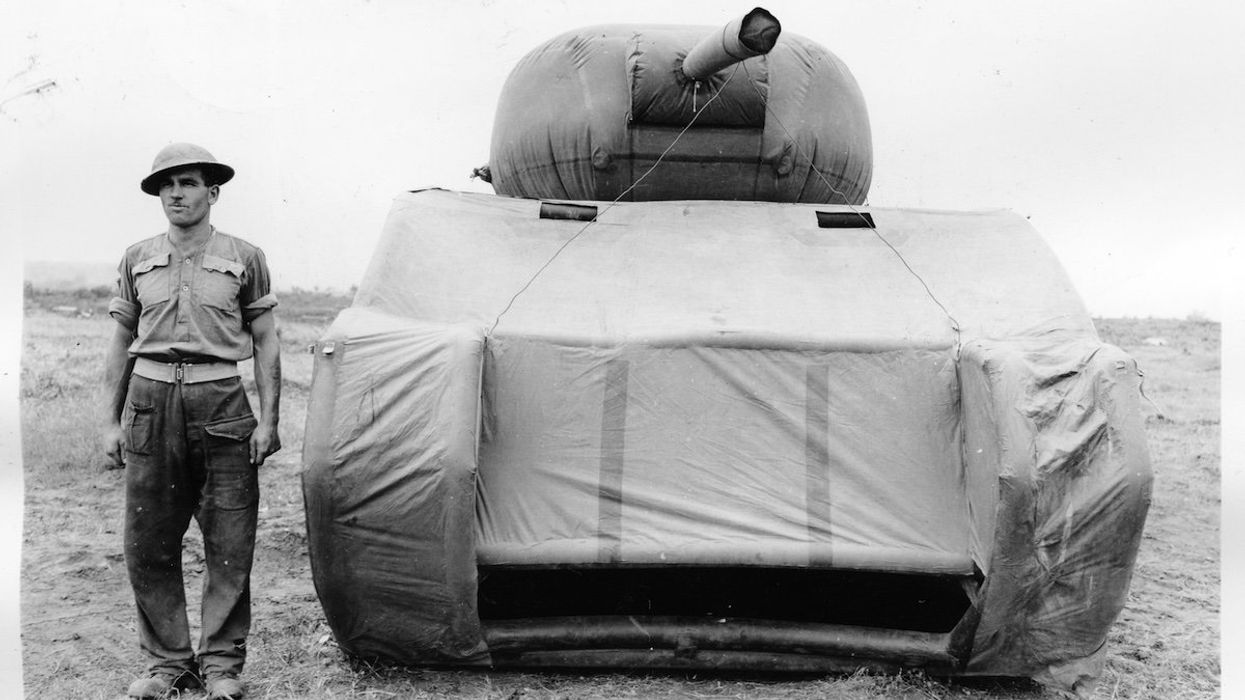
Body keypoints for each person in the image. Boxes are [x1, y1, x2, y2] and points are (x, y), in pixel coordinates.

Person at [101, 143, 281, 700]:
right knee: (148, 537)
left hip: (222, 404)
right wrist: (109, 422)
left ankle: (222, 666)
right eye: (165, 185)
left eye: (187, 183)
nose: (175, 194)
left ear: (212, 192)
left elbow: (267, 339)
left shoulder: (245, 256)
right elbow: (120, 341)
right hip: (150, 403)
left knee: (230, 537)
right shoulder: (137, 257)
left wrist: (269, 420)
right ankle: (167, 666)